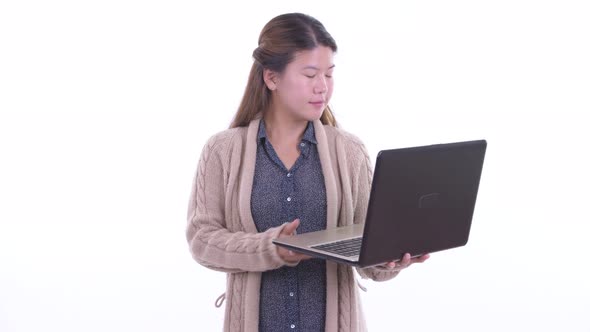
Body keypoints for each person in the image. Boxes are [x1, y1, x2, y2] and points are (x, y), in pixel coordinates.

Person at [186, 12, 429, 332]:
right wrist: (271, 248)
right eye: (310, 74)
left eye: (329, 75)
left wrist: (390, 258)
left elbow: (369, 253)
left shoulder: (350, 152)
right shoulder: (223, 151)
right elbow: (202, 241)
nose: (322, 88)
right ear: (271, 78)